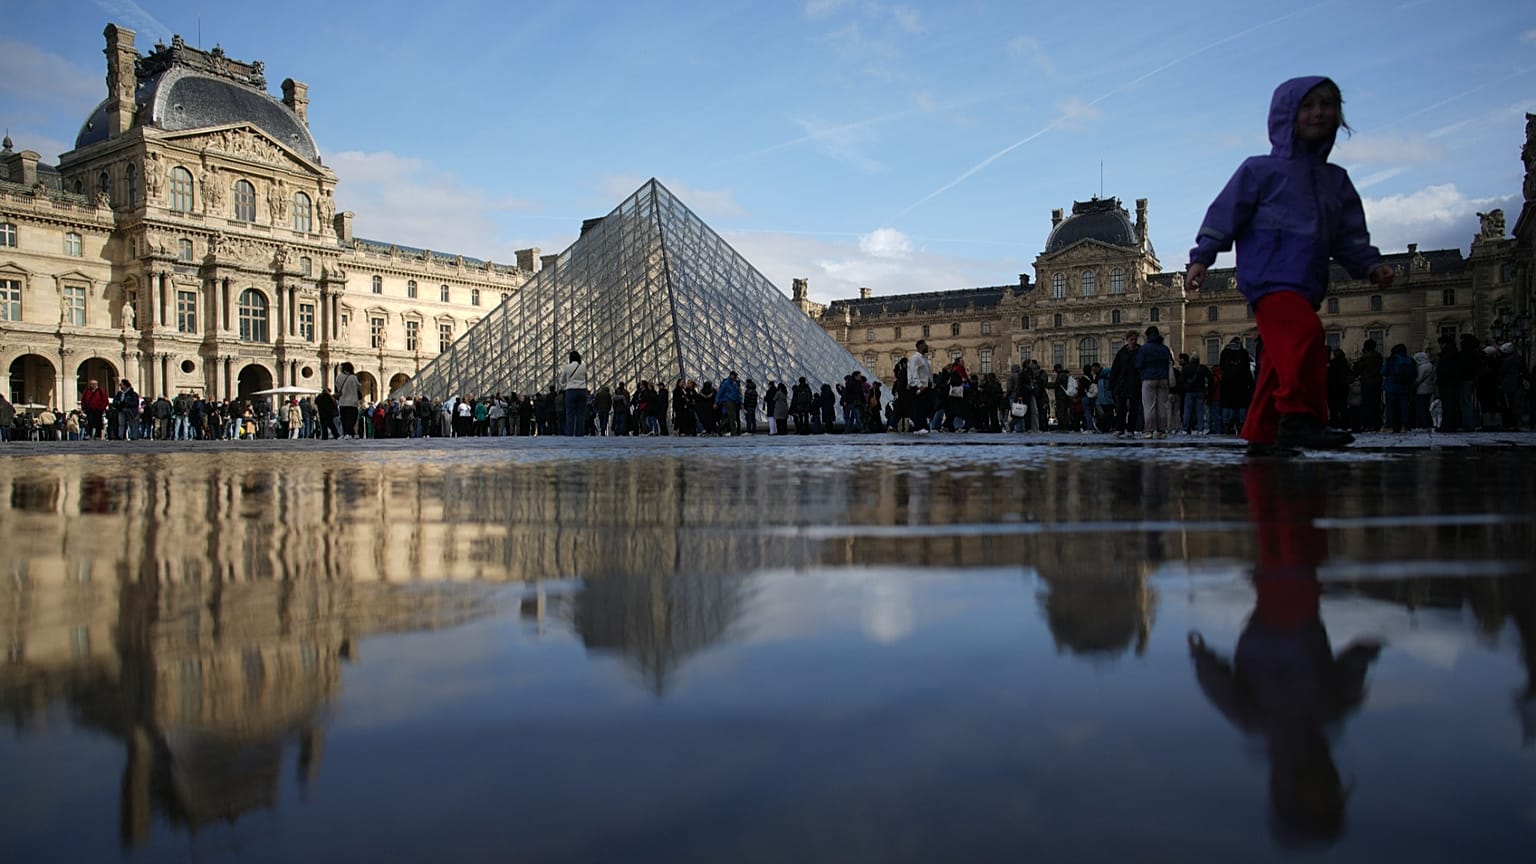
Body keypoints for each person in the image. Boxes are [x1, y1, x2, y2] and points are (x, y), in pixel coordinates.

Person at [1187, 76, 1393, 455]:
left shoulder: (1336, 181)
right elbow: (1225, 214)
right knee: (1308, 336)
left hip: (1307, 281)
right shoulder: (1259, 170)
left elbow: (1349, 237)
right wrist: (1202, 257)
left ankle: (1263, 434)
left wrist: (1370, 265)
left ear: (1338, 115)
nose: (1318, 112)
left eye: (1326, 104)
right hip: (1267, 277)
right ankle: (1301, 418)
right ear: (1287, 115)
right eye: (1308, 105)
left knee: (1278, 363)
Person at [1135, 325, 1174, 438]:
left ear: (1147, 335)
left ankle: (1149, 430)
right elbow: (1171, 363)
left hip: (1148, 378)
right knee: (1162, 405)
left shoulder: (1144, 348)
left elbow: (1138, 364)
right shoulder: (1165, 349)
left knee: (1149, 405)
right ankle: (1161, 430)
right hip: (1163, 379)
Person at [1108, 331, 1142, 437]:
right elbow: (1115, 369)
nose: (1134, 342)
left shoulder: (1140, 351)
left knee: (1134, 408)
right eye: (1132, 339)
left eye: (1135, 339)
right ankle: (1119, 428)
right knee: (1121, 408)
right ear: (1127, 340)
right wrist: (1112, 384)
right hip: (1122, 383)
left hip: (1135, 383)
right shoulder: (1121, 352)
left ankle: (1130, 429)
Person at [906, 339, 934, 434]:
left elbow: (927, 373)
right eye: (925, 345)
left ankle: (923, 426)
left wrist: (931, 382)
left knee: (924, 407)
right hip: (919, 386)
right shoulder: (915, 358)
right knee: (919, 407)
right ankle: (918, 427)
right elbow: (914, 372)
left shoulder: (924, 359)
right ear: (919, 347)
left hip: (925, 386)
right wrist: (919, 385)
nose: (927, 347)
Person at [557, 350, 588, 436]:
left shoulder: (567, 367)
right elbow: (586, 378)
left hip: (571, 390)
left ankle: (570, 433)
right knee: (581, 414)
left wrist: (569, 380)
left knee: (569, 413)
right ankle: (579, 433)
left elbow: (562, 381)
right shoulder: (583, 366)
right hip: (582, 390)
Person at [334, 362, 361, 438]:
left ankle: (345, 433)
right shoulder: (353, 377)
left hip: (342, 401)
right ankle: (349, 433)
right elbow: (359, 387)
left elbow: (337, 386)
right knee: (352, 418)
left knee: (344, 419)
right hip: (352, 402)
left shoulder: (339, 377)